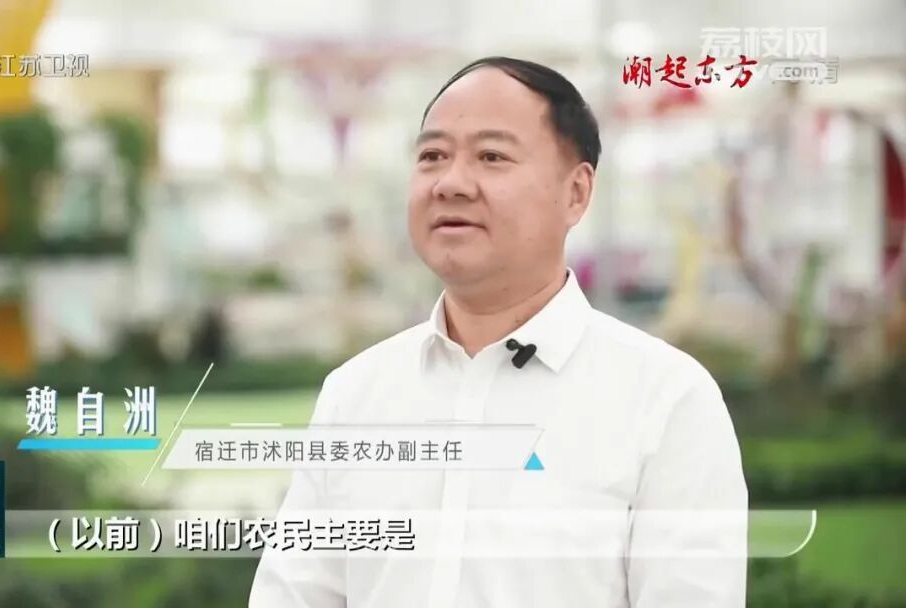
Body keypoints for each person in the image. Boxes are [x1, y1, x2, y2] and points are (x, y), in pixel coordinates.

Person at [249, 56, 747, 607]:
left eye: (491, 156)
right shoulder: (355, 394)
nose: (451, 183)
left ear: (576, 193)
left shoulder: (666, 399)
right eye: (432, 156)